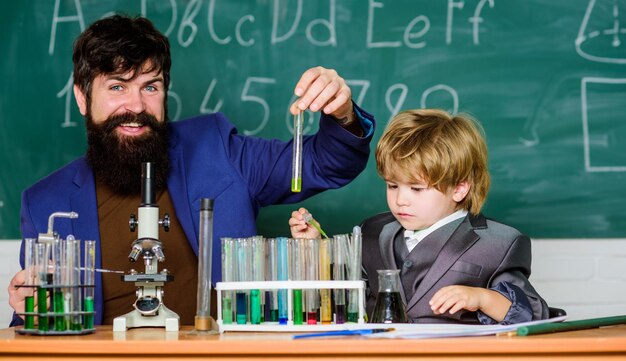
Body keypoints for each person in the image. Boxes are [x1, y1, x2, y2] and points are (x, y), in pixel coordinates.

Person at [8, 14, 375, 326]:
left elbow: (327, 165)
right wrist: (29, 309)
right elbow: (35, 325)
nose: (136, 105)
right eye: (117, 87)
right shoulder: (46, 203)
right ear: (82, 97)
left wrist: (341, 112)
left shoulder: (217, 150)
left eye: (149, 86)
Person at [289, 109, 548, 324]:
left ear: (459, 187)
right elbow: (341, 301)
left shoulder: (500, 243)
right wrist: (313, 249)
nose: (401, 199)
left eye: (416, 188)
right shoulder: (372, 231)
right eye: (392, 186)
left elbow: (532, 314)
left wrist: (482, 298)